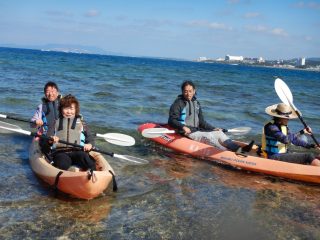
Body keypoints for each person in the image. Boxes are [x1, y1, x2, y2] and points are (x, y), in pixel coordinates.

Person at [168, 80, 254, 152]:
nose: (188, 93)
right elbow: (172, 120)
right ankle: (226, 153)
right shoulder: (178, 103)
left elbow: (201, 122)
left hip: (198, 130)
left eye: (190, 91)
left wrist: (213, 128)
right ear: (182, 91)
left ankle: (239, 149)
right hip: (188, 133)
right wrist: (183, 127)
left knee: (219, 133)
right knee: (209, 137)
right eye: (185, 91)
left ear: (194, 91)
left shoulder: (196, 103)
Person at [43, 94, 96, 172]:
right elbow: (47, 138)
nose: (69, 112)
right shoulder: (55, 122)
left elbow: (90, 138)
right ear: (61, 109)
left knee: (87, 159)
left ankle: (93, 175)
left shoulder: (82, 123)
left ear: (76, 110)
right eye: (66, 108)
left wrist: (90, 144)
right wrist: (51, 140)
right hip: (61, 152)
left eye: (71, 109)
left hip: (77, 151)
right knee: (62, 163)